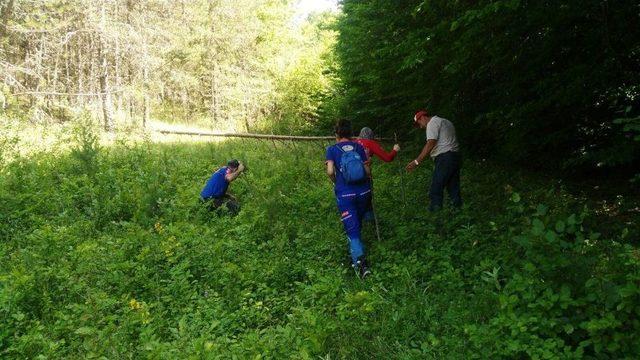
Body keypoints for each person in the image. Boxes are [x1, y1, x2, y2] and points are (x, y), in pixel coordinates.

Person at [325, 120, 372, 279]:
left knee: (352, 229)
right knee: (357, 222)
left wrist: (336, 182)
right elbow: (367, 170)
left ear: (337, 133)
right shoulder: (358, 146)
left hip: (345, 194)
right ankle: (357, 250)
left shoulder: (332, 149)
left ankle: (361, 264)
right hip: (364, 191)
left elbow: (330, 171)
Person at [406, 109, 462, 211]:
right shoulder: (446, 121)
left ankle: (436, 217)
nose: (421, 127)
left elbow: (430, 143)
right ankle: (457, 213)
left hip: (444, 158)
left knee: (436, 188)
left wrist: (416, 161)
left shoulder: (432, 123)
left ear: (422, 117)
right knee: (453, 188)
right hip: (455, 157)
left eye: (419, 123)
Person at [356, 127, 400, 222]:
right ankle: (371, 225)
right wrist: (395, 150)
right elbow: (388, 158)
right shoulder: (370, 143)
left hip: (349, 178)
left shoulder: (354, 143)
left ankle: (356, 222)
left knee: (355, 202)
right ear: (371, 136)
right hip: (365, 176)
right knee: (367, 202)